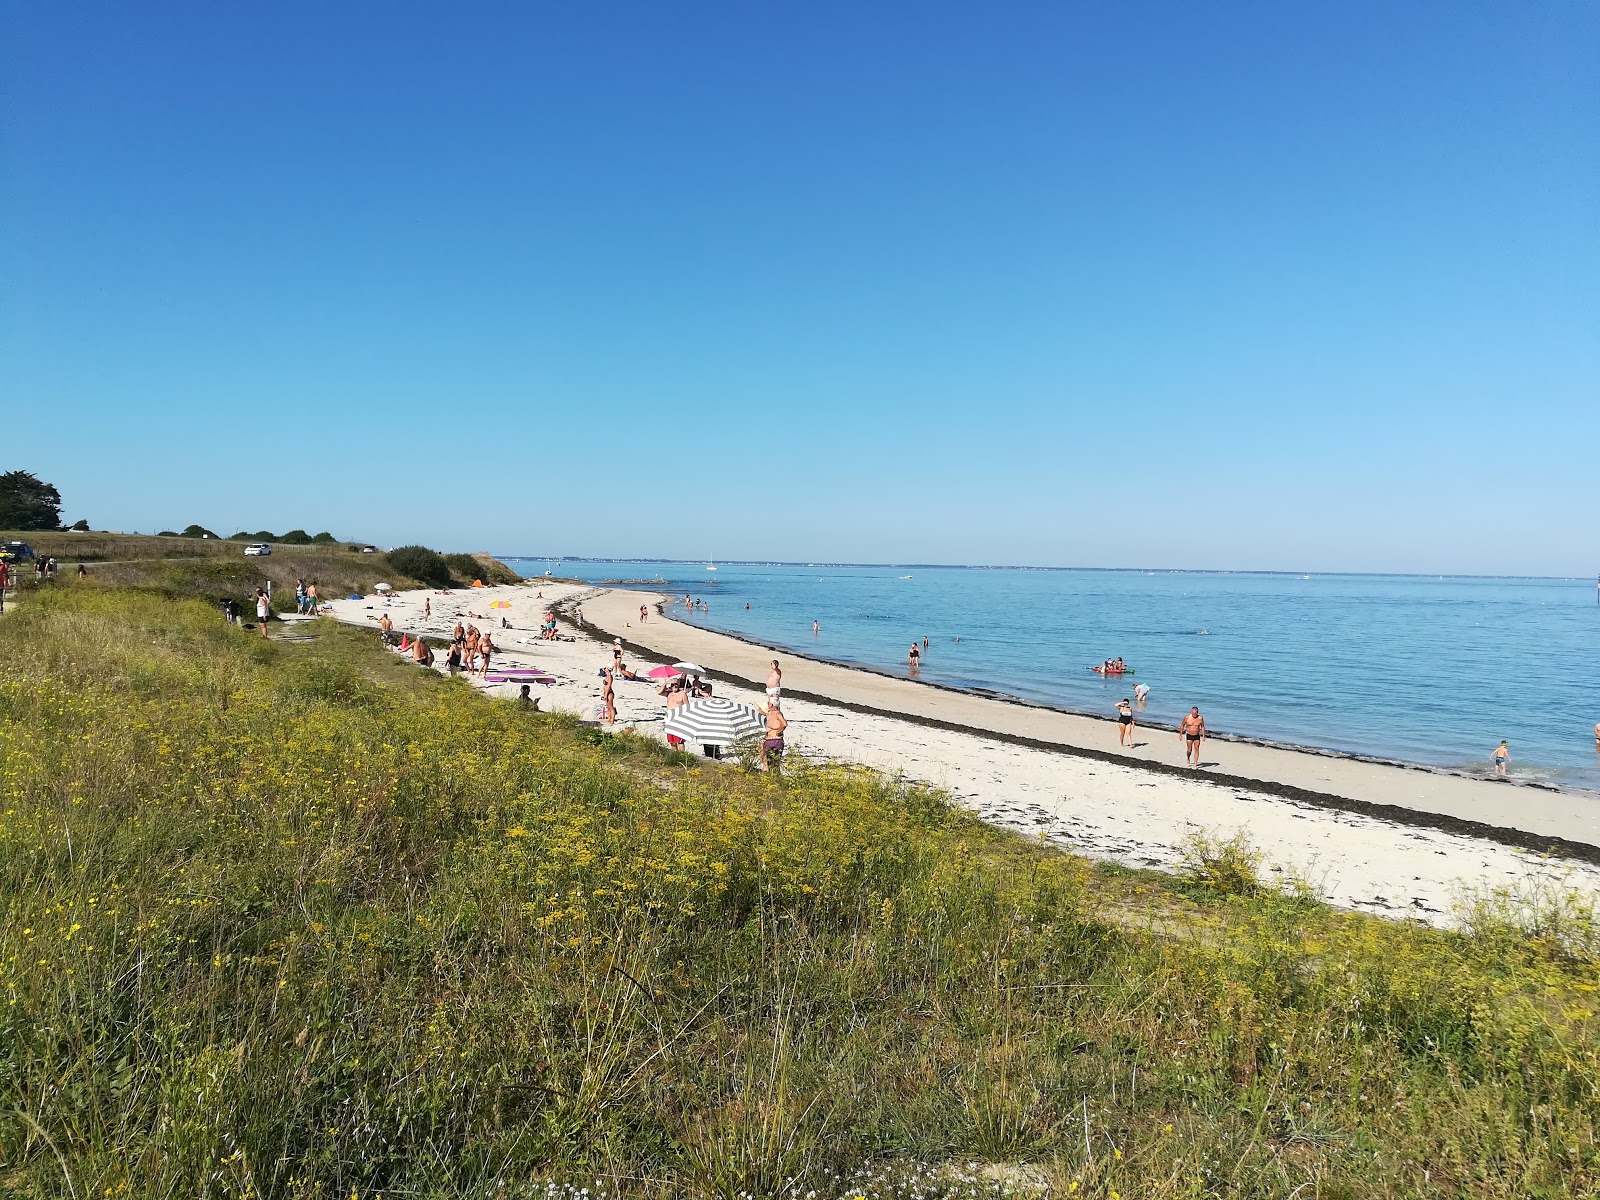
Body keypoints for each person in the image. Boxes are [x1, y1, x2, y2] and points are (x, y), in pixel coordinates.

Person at [760, 698, 788, 771]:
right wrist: (754, 704)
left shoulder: (777, 713)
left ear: (771, 705)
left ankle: (773, 777)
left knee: (774, 763)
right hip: (770, 741)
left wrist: (779, 731)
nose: (768, 704)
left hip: (775, 740)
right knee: (768, 761)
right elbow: (761, 712)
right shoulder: (769, 713)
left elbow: (784, 724)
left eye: (768, 703)